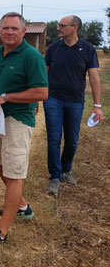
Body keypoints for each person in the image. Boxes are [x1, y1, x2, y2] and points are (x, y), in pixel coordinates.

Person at [0, 12, 48, 243]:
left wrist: (5, 97)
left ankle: (1, 232)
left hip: (17, 120)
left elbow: (41, 93)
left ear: (24, 31)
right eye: (5, 28)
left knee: (15, 174)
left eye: (14, 28)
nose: (9, 32)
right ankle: (22, 206)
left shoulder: (31, 56)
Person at [44, 15, 103, 196]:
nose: (58, 28)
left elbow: (93, 77)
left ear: (74, 27)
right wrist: (40, 96)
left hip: (76, 101)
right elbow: (44, 74)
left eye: (62, 25)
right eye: (59, 24)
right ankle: (54, 177)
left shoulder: (87, 49)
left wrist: (97, 105)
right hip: (53, 99)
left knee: (72, 139)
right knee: (54, 138)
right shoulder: (53, 48)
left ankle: (65, 170)